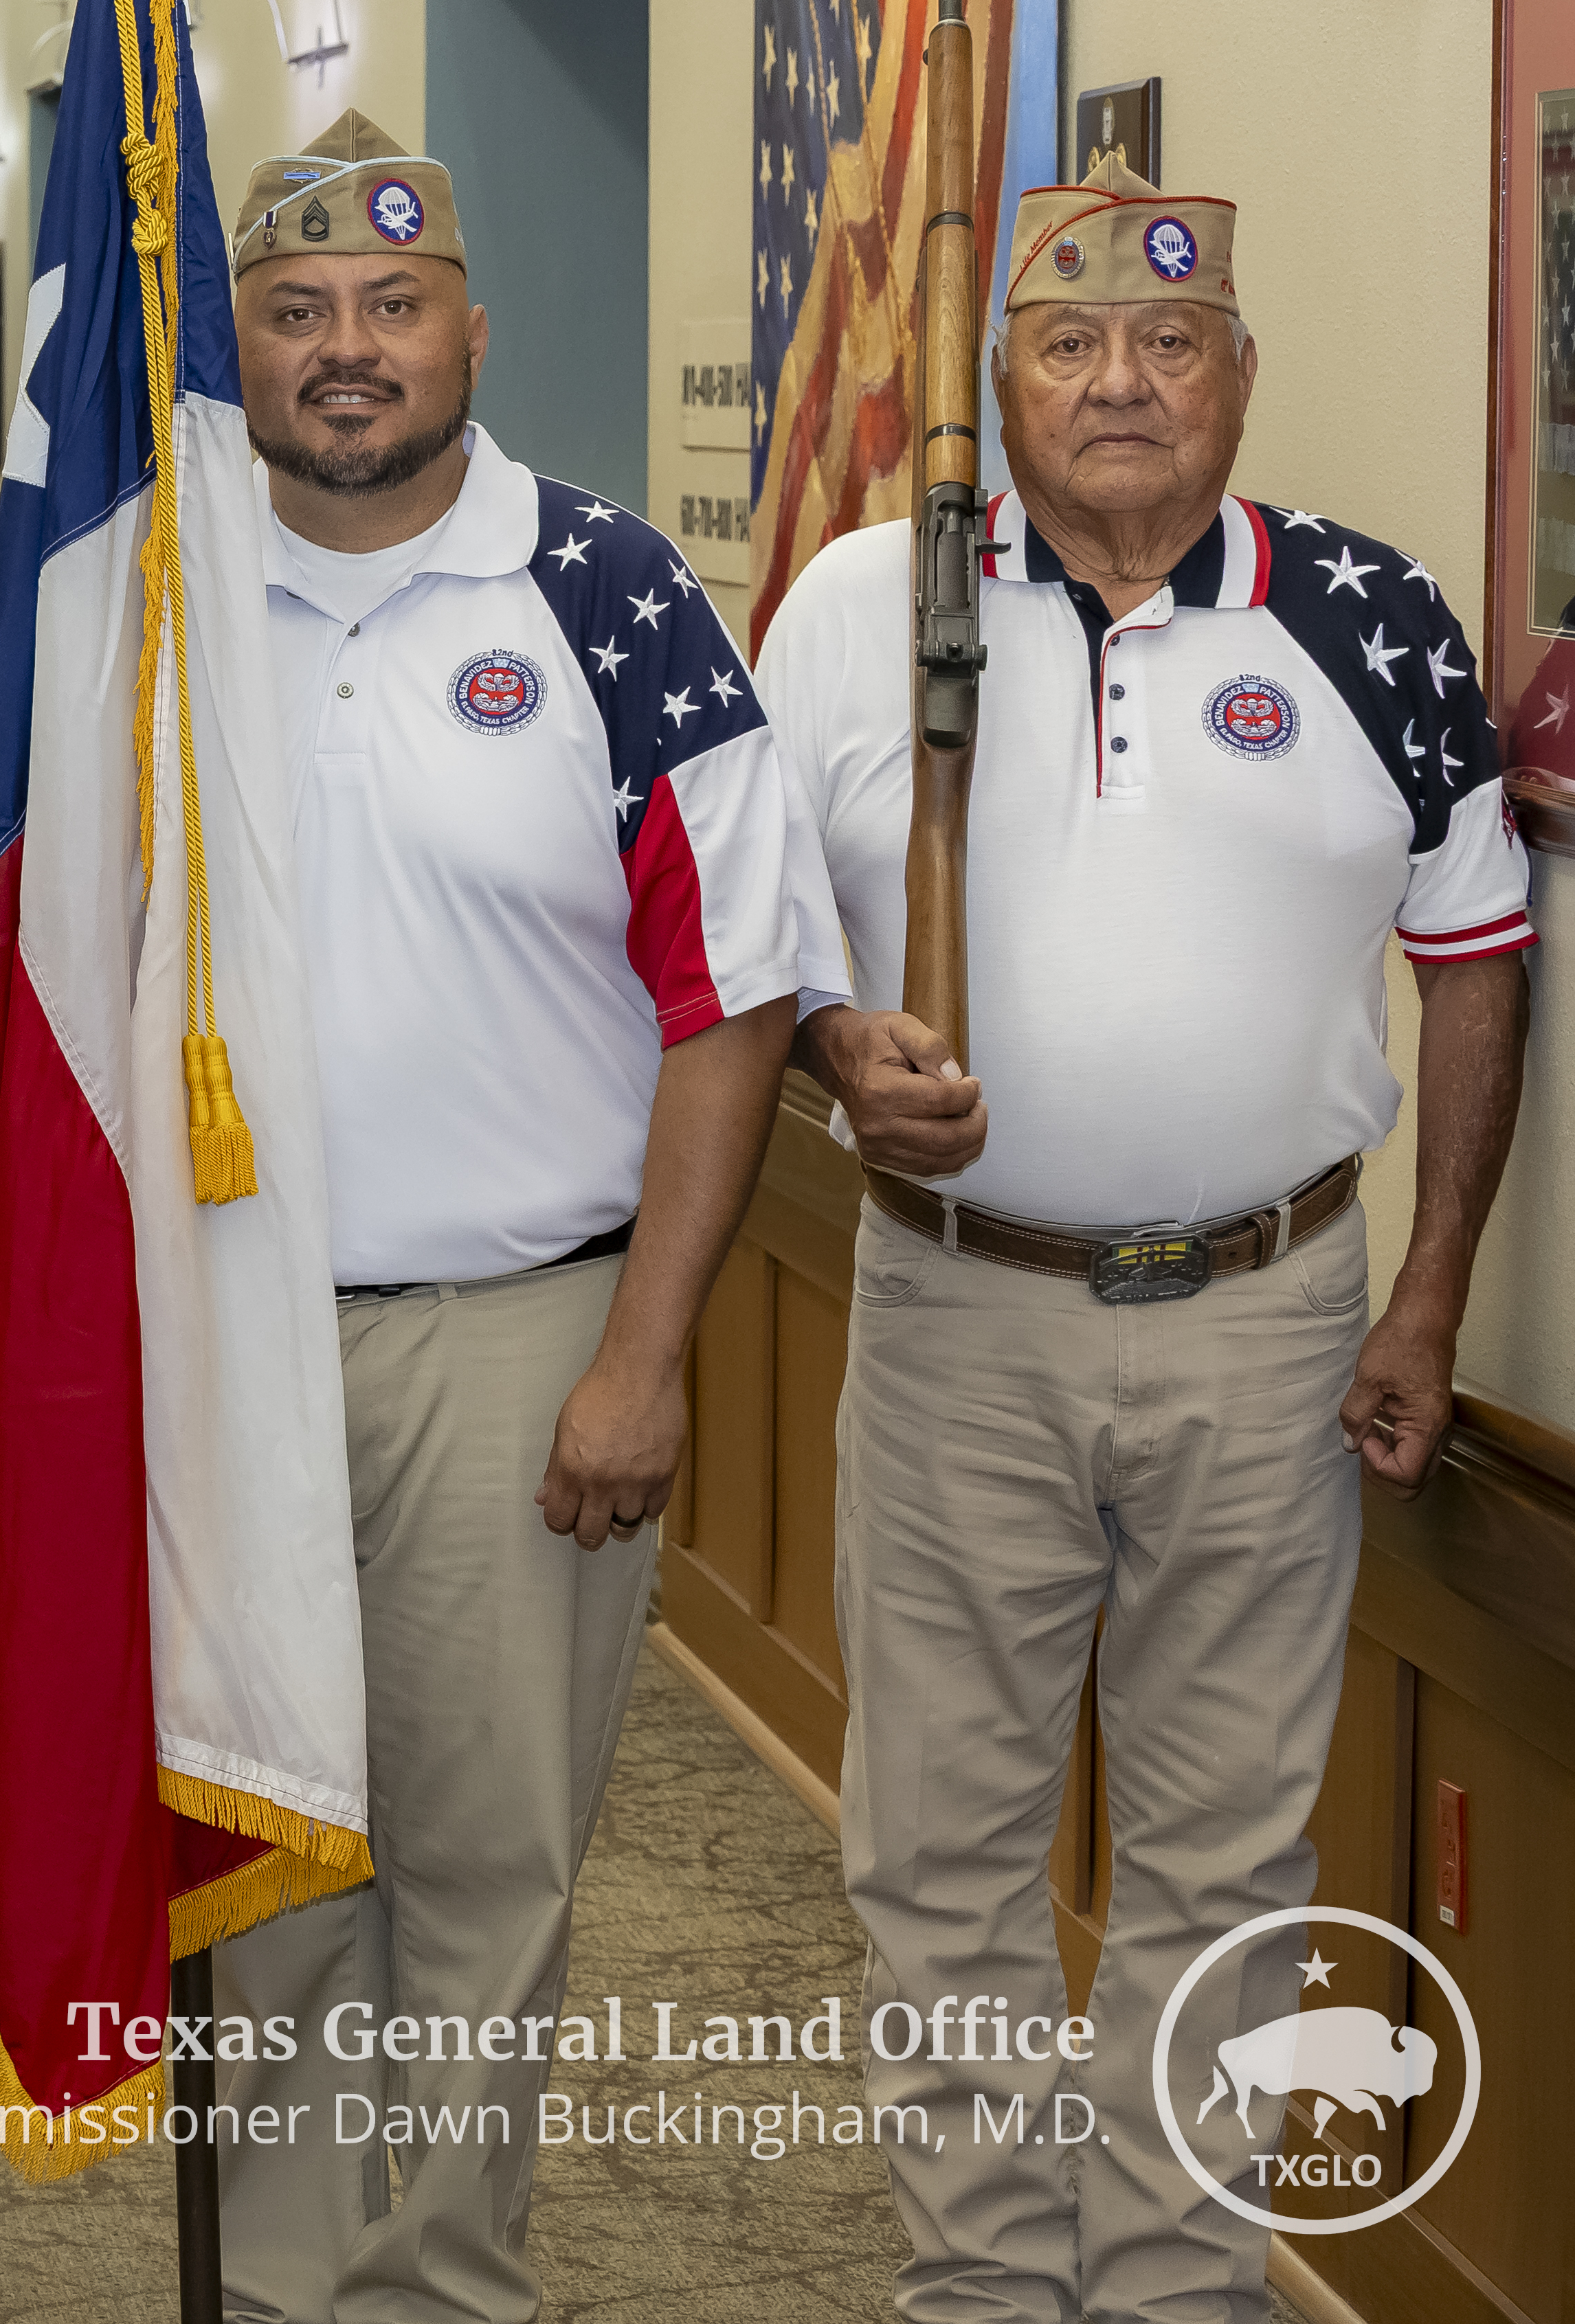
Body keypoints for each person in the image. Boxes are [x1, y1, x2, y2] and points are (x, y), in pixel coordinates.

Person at [759, 154, 1534, 2323]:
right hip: (952, 1316)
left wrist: (1430, 1287)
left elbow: (1475, 952)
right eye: (1067, 339)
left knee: (1224, 1861)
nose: (1120, 383)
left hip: (1271, 1330)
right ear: (992, 375)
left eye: (1169, 343)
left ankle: (1179, 2287)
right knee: (937, 1857)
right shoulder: (859, 599)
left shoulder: (1368, 619)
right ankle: (989, 2288)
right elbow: (750, 941)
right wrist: (839, 1046)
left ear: (1237, 380)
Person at [195, 114, 814, 2324]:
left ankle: (436, 2286)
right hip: (215, 1339)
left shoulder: (612, 594)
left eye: (388, 305)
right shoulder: (140, 597)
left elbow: (731, 998)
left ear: (469, 322)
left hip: (509, 1335)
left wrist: (639, 1358)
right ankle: (273, 2287)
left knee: (476, 1858)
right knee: (248, 1852)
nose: (344, 351)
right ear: (238, 342)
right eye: (294, 313)